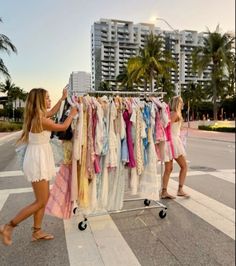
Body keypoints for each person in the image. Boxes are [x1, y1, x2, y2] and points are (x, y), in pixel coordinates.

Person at [0, 87, 78, 246]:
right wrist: (72, 114)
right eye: (47, 98)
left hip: (39, 156)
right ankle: (9, 226)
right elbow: (62, 127)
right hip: (38, 160)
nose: (50, 101)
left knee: (42, 199)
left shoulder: (38, 115)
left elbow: (52, 112)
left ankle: (37, 231)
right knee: (41, 201)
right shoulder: (41, 120)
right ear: (39, 101)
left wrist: (62, 99)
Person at [161, 95, 189, 199]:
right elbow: (166, 127)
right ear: (177, 103)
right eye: (181, 102)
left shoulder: (171, 113)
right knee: (184, 166)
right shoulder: (175, 114)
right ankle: (180, 189)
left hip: (169, 142)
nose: (182, 104)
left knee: (168, 168)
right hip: (173, 142)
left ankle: (164, 191)